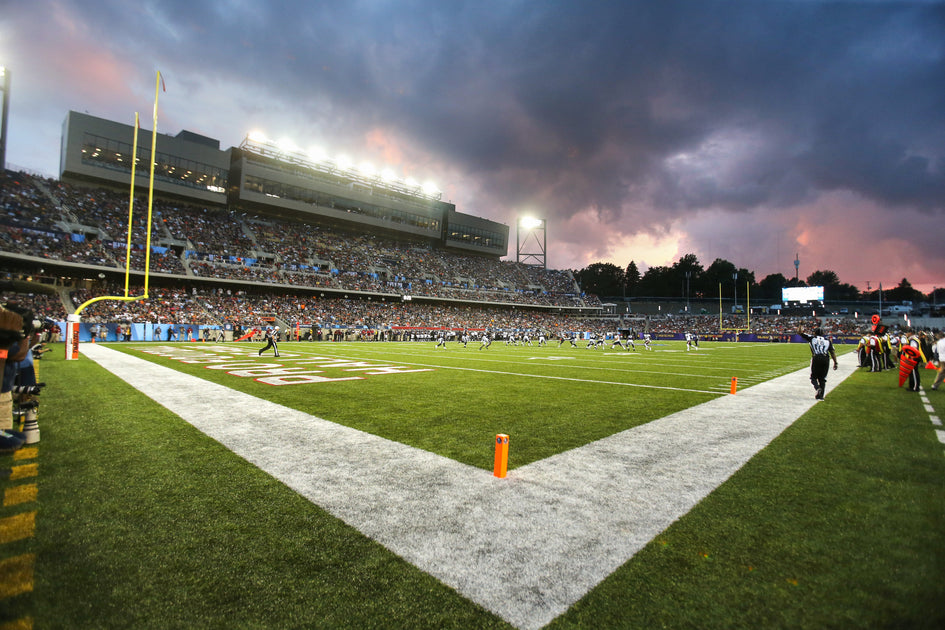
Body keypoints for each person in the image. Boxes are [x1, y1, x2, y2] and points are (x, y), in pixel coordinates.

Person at [797, 327, 839, 400]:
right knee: (822, 379)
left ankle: (817, 388)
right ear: (823, 334)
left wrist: (801, 324)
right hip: (826, 358)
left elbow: (799, 332)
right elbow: (832, 352)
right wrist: (835, 362)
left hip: (816, 357)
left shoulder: (812, 338)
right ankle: (821, 396)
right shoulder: (827, 340)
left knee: (813, 377)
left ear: (814, 333)